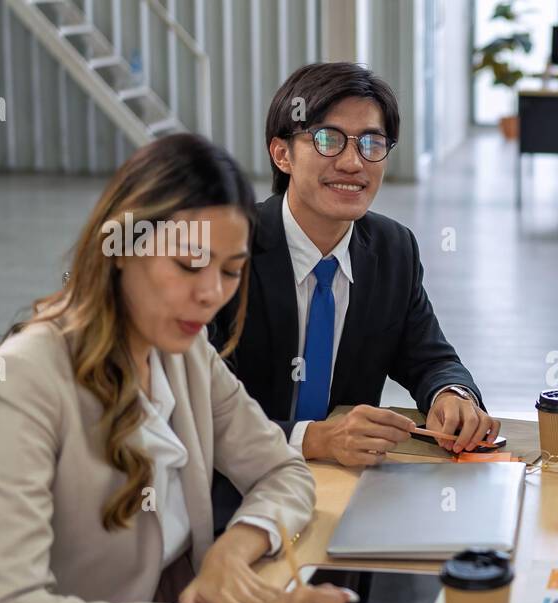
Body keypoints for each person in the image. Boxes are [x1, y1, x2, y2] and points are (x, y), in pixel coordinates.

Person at [0, 134, 350, 603]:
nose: (212, 293)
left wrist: (229, 553)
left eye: (230, 271)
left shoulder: (186, 352)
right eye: (188, 265)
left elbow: (283, 472)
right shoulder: (28, 376)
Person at [211, 62, 498, 479]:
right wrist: (314, 439)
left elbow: (429, 357)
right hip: (234, 482)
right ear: (282, 154)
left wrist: (450, 395)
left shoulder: (393, 249)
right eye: (328, 139)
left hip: (344, 484)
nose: (352, 162)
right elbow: (197, 411)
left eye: (371, 143)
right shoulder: (227, 251)